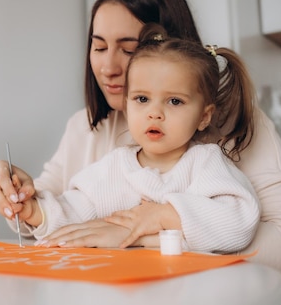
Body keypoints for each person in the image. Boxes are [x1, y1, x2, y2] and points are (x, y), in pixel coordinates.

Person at [0, 0, 281, 287]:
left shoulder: (217, 146)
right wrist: (24, 202)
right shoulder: (97, 142)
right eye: (99, 47)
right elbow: (61, 216)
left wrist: (144, 234)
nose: (109, 67)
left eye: (128, 49)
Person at [17, 24, 260, 254]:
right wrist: (34, 212)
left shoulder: (205, 162)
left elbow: (239, 223)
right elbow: (72, 214)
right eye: (142, 99)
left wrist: (163, 216)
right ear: (127, 104)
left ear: (204, 117)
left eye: (174, 101)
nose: (154, 113)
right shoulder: (114, 166)